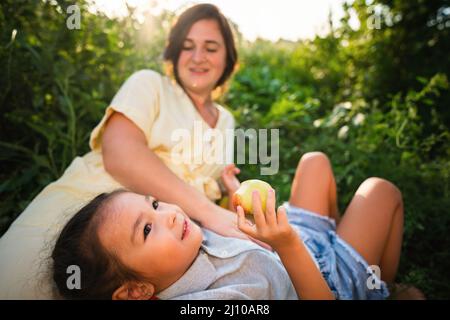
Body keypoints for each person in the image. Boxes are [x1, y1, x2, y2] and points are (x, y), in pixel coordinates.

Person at [0, 3, 260, 299]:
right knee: (18, 286)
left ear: (228, 58)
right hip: (86, 205)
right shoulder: (149, 84)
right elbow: (120, 154)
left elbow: (217, 211)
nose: (198, 57)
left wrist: (228, 196)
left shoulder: (227, 120)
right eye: (187, 47)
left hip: (157, 252)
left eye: (211, 48)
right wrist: (207, 210)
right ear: (174, 52)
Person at [51, 152, 403, 300]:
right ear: (135, 291)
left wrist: (238, 198)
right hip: (321, 282)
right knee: (382, 192)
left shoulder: (183, 243)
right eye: (146, 229)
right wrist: (288, 244)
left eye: (155, 204)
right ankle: (377, 286)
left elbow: (233, 235)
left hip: (297, 241)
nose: (170, 214)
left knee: (314, 162)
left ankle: (344, 242)